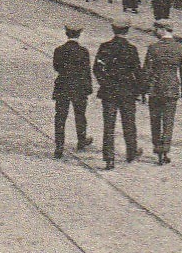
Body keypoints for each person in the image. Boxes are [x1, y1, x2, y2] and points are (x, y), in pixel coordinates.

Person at [93, 18, 144, 170]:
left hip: (109, 92)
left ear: (113, 29)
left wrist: (105, 83)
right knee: (129, 123)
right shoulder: (131, 49)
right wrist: (139, 90)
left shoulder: (105, 47)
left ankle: (109, 158)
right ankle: (131, 152)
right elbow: (137, 72)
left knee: (109, 125)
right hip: (127, 91)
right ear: (127, 30)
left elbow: (97, 69)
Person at [142, 19, 182, 165]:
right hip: (171, 89)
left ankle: (158, 148)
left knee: (155, 120)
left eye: (156, 29)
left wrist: (143, 89)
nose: (154, 32)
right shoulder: (180, 48)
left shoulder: (153, 48)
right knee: (168, 121)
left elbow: (147, 71)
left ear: (162, 30)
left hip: (155, 89)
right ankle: (165, 150)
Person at [51, 25, 94, 158]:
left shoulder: (59, 50)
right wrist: (88, 89)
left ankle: (59, 146)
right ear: (79, 34)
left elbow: (56, 67)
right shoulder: (83, 51)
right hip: (79, 87)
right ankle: (81, 140)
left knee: (60, 117)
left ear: (66, 33)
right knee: (80, 115)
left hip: (63, 86)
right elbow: (87, 71)